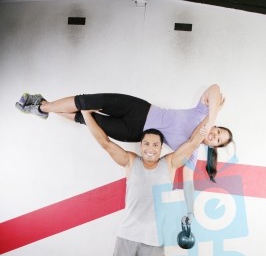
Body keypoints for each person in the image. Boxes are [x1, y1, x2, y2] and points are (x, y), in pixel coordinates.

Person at [78, 107, 207, 256]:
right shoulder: (130, 161)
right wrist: (85, 114)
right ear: (140, 146)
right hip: (127, 233)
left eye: (155, 144)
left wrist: (211, 117)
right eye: (146, 143)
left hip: (154, 237)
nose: (150, 148)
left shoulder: (170, 163)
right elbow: (105, 142)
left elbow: (193, 141)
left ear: (161, 148)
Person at [15, 85, 233, 224]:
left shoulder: (192, 153)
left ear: (213, 147)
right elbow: (214, 89)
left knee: (86, 118)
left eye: (218, 140)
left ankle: (40, 106)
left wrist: (190, 211)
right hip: (140, 109)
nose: (215, 134)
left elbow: (188, 184)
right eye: (219, 131)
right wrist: (212, 117)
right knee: (86, 101)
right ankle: (43, 107)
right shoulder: (202, 113)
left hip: (135, 132)